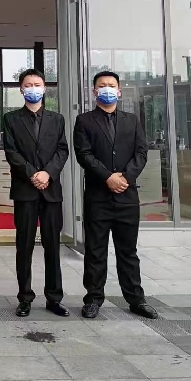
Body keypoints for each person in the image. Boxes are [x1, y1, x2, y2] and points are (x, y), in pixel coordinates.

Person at [73, 71, 158, 320]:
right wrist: (107, 177)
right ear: (94, 91)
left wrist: (125, 178)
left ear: (119, 91)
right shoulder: (84, 121)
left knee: (128, 252)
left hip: (127, 198)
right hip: (98, 197)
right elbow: (84, 154)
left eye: (111, 85)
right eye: (102, 85)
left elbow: (141, 153)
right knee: (95, 251)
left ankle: (136, 299)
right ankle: (93, 299)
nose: (107, 89)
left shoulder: (132, 121)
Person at [3, 69, 70, 318]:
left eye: (37, 84)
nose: (33, 88)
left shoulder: (57, 119)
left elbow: (62, 150)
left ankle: (54, 298)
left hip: (51, 192)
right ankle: (25, 297)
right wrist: (33, 174)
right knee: (25, 246)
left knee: (53, 246)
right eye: (28, 84)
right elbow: (11, 152)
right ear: (21, 89)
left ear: (45, 88)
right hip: (25, 191)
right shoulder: (11, 119)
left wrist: (47, 173)